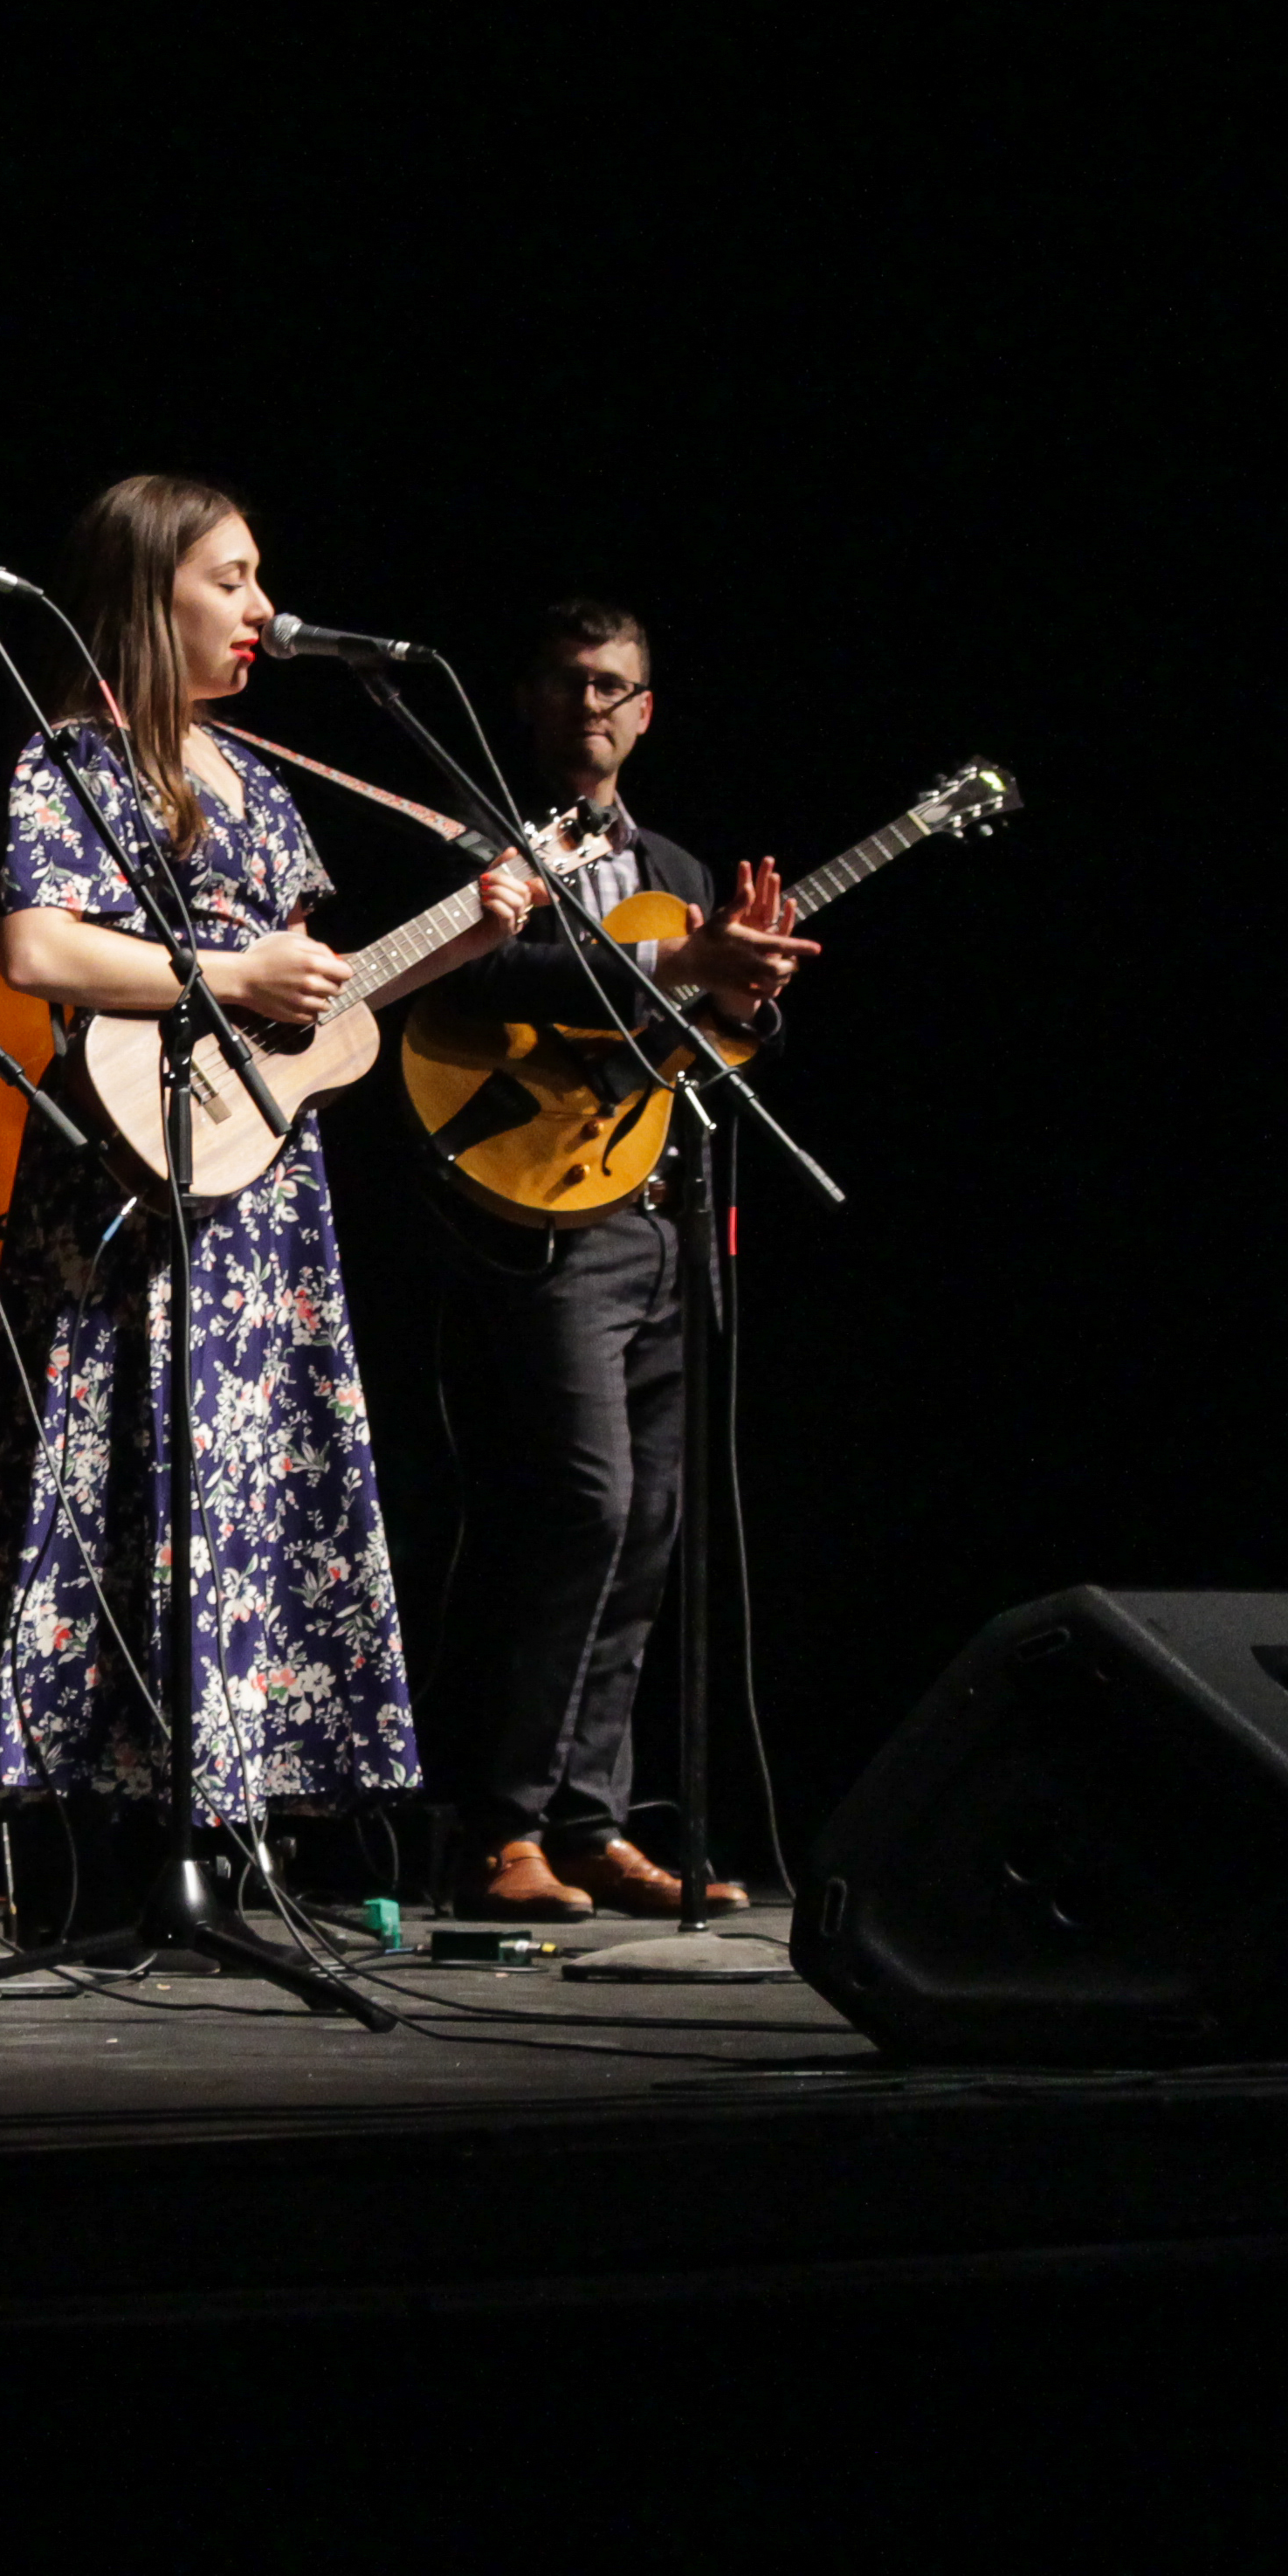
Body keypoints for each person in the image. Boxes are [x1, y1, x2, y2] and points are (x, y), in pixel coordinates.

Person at [0, 476, 541, 1856]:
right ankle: (97, 1844)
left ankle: (223, 1822)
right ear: (143, 594)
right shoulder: (73, 764)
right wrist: (229, 967)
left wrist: (464, 937)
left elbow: (311, 1015)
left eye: (257, 580)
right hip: (129, 1185)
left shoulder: (264, 781)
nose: (261, 611)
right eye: (228, 579)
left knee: (247, 1490)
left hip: (258, 1197)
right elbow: (36, 949)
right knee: (125, 1479)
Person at [417, 599, 817, 1922]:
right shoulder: (477, 838)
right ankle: (499, 1826)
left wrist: (739, 998)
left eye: (617, 686)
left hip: (659, 1213)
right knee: (577, 1506)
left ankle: (590, 1820)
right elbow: (462, 984)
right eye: (570, 681)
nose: (593, 705)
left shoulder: (683, 867)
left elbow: (670, 1051)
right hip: (542, 1226)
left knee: (649, 1526)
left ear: (646, 711)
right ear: (528, 698)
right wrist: (669, 964)